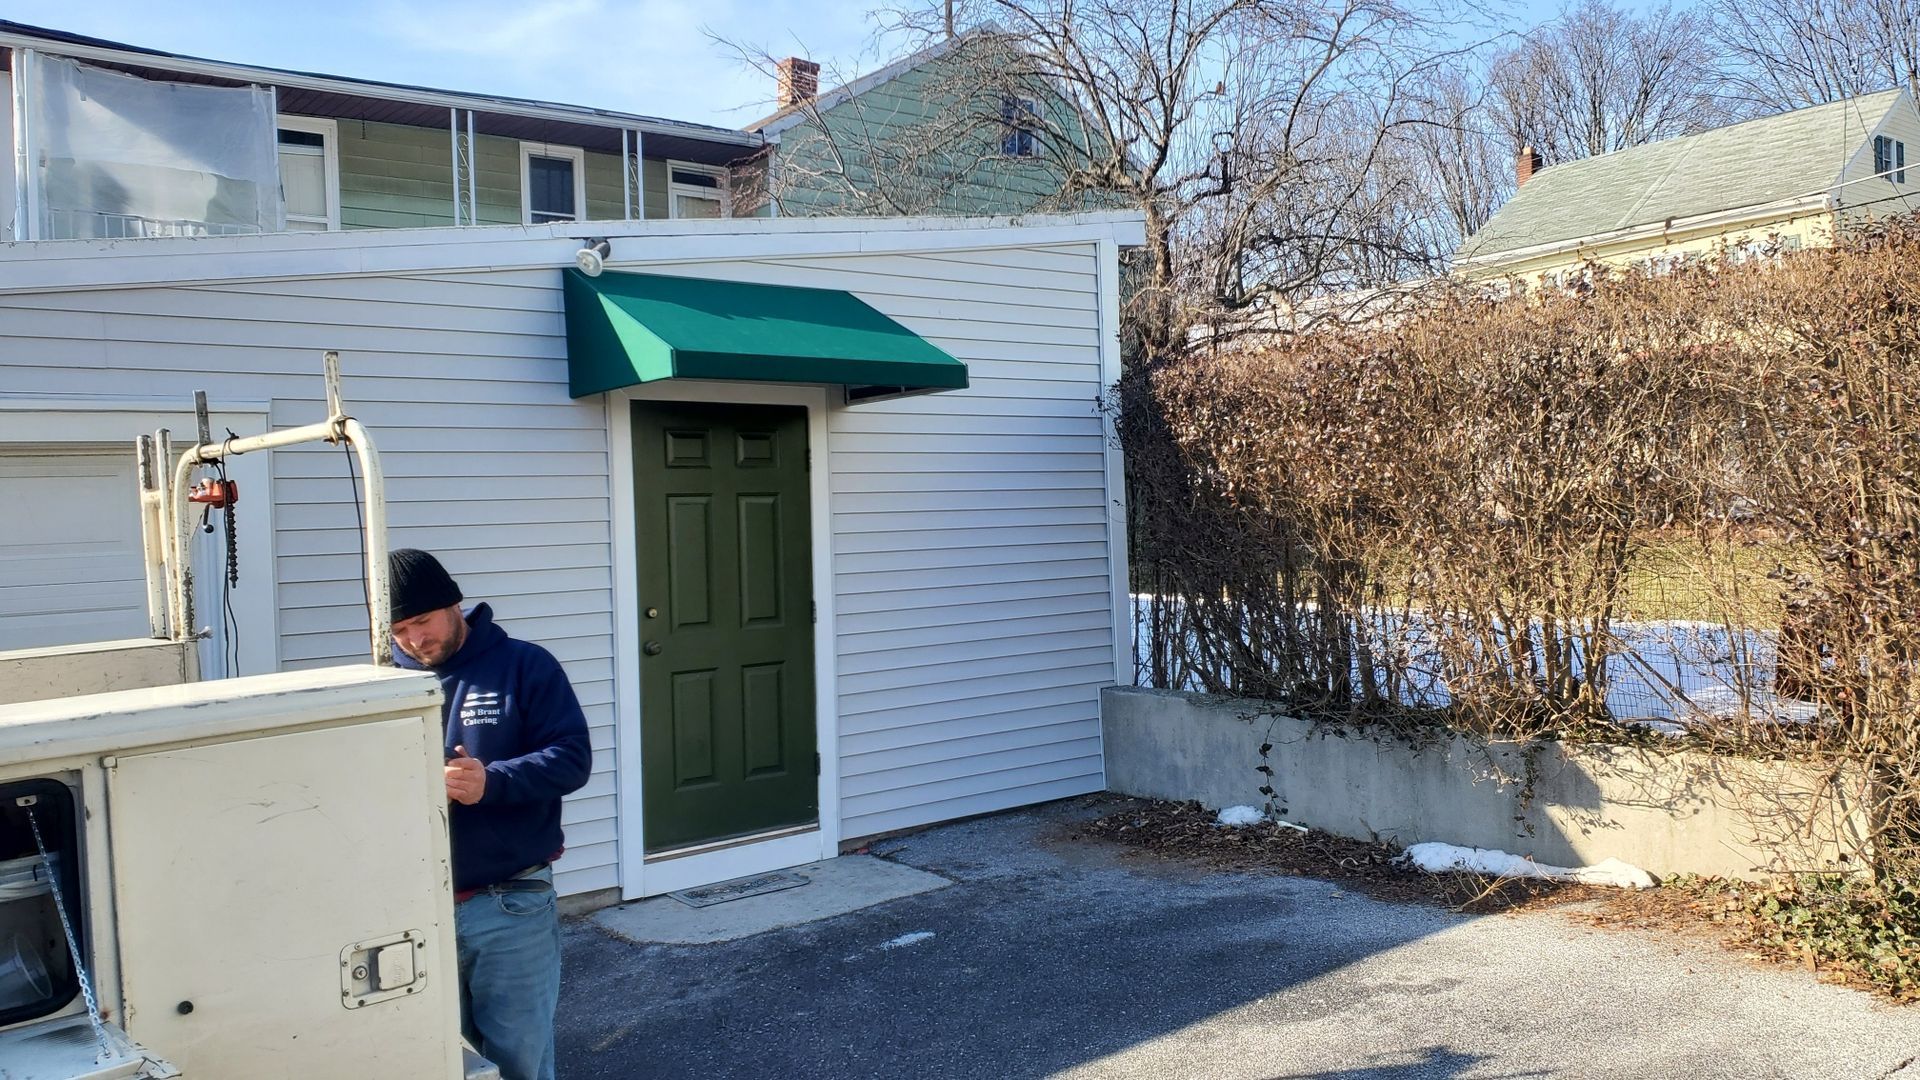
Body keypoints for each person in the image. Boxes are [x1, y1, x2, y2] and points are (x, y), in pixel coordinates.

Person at [388, 548, 592, 1080]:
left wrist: (491, 782)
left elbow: (571, 758)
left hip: (509, 903)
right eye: (400, 629)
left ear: (454, 605)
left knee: (518, 1059)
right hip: (410, 909)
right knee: (434, 1060)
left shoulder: (524, 665)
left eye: (423, 621)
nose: (415, 640)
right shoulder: (381, 688)